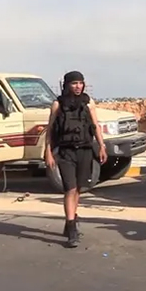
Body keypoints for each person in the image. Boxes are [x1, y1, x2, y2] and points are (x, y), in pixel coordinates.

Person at [44, 71, 108, 248]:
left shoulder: (88, 102)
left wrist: (102, 146)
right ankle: (72, 228)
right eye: (74, 83)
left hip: (85, 150)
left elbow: (95, 126)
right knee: (69, 188)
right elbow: (50, 129)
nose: (78, 86)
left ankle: (71, 219)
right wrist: (48, 152)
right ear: (67, 85)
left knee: (78, 188)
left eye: (80, 83)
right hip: (66, 152)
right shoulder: (57, 104)